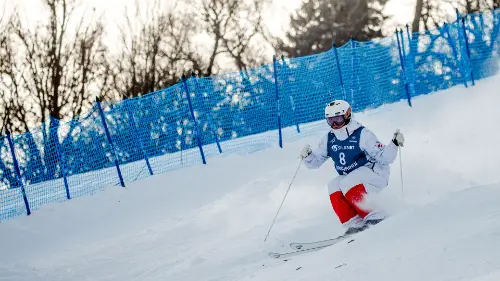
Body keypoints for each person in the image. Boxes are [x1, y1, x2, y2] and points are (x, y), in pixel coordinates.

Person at [299, 100, 404, 235]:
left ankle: (376, 215)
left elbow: (385, 158)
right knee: (334, 186)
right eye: (331, 120)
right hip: (352, 177)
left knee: (348, 181)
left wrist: (394, 144)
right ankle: (354, 223)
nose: (335, 124)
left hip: (375, 173)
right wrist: (308, 156)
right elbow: (315, 163)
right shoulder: (329, 138)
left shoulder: (362, 134)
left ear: (348, 115)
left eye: (338, 119)